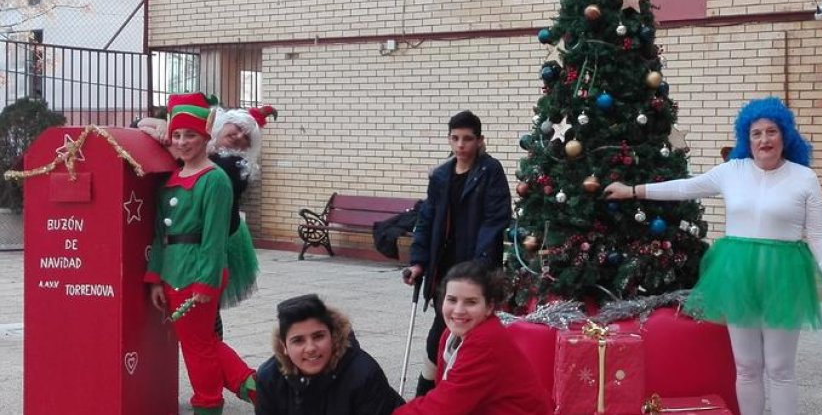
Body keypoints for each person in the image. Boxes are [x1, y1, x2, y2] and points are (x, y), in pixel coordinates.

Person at [605, 97, 822, 415]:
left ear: (785, 135)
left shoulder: (804, 178)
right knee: (746, 366)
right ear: (747, 138)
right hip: (736, 276)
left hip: (783, 278)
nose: (764, 140)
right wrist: (633, 190)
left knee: (780, 369)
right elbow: (684, 188)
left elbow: (816, 234)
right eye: (756, 133)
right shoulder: (733, 171)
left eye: (771, 131)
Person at [144, 93, 257, 415]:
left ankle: (208, 404)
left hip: (197, 272)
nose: (182, 142)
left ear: (206, 136)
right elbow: (159, 234)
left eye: (190, 134)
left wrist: (206, 283)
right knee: (201, 342)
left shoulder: (215, 179)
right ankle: (255, 389)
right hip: (171, 272)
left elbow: (214, 238)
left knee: (198, 348)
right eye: (177, 135)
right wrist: (154, 277)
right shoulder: (172, 178)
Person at [402, 111, 512, 397]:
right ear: (449, 139)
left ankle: (446, 390)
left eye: (467, 139)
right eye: (455, 138)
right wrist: (417, 262)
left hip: (476, 265)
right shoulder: (441, 176)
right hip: (443, 266)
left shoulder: (490, 171)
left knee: (469, 330)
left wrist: (480, 266)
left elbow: (495, 219)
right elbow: (426, 220)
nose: (461, 144)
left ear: (479, 140)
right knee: (443, 327)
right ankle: (429, 391)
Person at [393, 260, 553, 414]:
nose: (458, 310)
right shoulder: (450, 335)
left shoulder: (486, 341)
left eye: (471, 302)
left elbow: (445, 407)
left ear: (489, 307)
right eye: (452, 300)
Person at [255, 293, 402, 415]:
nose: (310, 348)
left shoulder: (364, 374)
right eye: (298, 340)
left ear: (332, 336)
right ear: (284, 346)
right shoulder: (269, 377)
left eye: (318, 336)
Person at [208, 105, 276, 310]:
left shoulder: (233, 165)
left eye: (246, 137)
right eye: (236, 128)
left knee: (209, 305)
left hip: (220, 240)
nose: (238, 136)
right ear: (222, 124)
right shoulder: (208, 152)